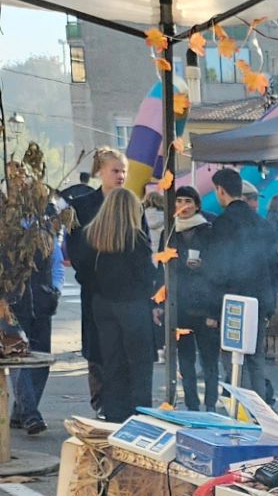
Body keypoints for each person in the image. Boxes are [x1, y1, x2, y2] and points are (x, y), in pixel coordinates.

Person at [69, 189, 158, 422]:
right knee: (139, 364)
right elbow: (147, 274)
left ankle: (114, 414)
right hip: (132, 306)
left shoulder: (91, 235)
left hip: (102, 305)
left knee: (112, 361)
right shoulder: (135, 238)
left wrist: (98, 288)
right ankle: (140, 415)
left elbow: (82, 271)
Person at [201, 167, 278, 397]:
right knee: (255, 358)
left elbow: (217, 269)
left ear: (220, 190)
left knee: (233, 359)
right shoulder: (263, 224)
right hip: (259, 301)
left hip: (231, 302)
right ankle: (260, 410)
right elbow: (273, 267)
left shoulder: (222, 225)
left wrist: (212, 310)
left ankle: (240, 412)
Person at [68, 146, 126, 412]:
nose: (121, 176)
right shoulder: (83, 205)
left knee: (121, 347)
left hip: (124, 291)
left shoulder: (129, 204)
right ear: (101, 172)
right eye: (115, 170)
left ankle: (118, 399)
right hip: (94, 288)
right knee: (97, 346)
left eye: (124, 171)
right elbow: (76, 248)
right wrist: (90, 277)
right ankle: (100, 400)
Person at [7, 212, 63, 435]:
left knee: (41, 360)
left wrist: (55, 290)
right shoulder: (7, 227)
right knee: (19, 357)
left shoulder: (46, 226)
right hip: (13, 303)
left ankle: (21, 411)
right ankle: (30, 414)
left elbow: (57, 261)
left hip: (42, 300)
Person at [167, 185, 220, 412]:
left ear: (197, 205)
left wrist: (204, 266)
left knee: (209, 361)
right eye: (178, 201)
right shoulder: (170, 233)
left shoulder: (208, 230)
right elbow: (162, 267)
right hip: (180, 307)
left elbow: (220, 269)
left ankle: (210, 404)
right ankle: (192, 404)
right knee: (185, 362)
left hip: (205, 306)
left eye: (188, 201)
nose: (183, 206)